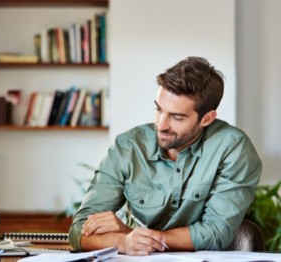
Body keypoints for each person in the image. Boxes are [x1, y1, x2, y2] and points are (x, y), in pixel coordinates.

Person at [69, 56, 262, 256]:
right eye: (159, 109)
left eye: (177, 117)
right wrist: (123, 241)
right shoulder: (128, 147)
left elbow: (216, 233)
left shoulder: (233, 148)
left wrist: (136, 235)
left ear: (207, 118)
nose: (161, 125)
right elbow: (78, 232)